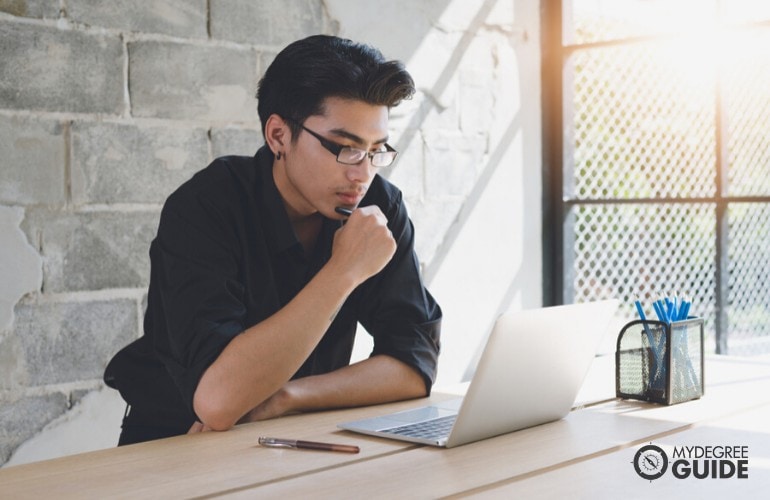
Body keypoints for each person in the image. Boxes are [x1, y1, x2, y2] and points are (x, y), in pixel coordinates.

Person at [104, 34, 442, 445]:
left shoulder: (377, 206)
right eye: (345, 149)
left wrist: (287, 397)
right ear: (279, 135)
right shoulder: (205, 207)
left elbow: (413, 366)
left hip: (291, 433)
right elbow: (218, 402)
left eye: (376, 150)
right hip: (175, 441)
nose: (362, 173)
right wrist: (343, 271)